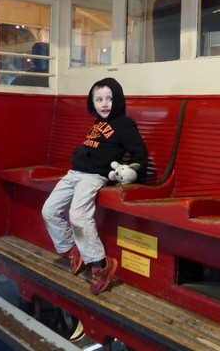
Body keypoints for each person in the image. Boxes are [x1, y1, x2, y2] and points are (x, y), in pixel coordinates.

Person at [41, 77, 148, 294]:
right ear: (93, 103)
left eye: (109, 99)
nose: (104, 104)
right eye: (99, 99)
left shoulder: (124, 124)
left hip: (93, 177)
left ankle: (100, 264)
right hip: (74, 173)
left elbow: (140, 153)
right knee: (49, 210)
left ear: (118, 100)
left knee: (78, 216)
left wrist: (134, 174)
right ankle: (73, 248)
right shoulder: (98, 123)